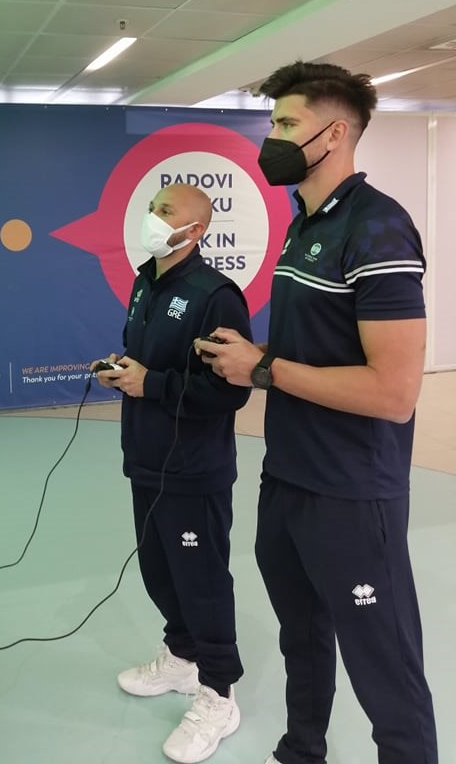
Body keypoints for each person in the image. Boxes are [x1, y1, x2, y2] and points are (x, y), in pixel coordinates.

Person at [197, 60, 438, 764]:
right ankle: (300, 751)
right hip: (289, 476)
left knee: (386, 669)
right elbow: (320, 347)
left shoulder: (378, 228)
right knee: (301, 639)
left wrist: (263, 368)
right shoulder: (304, 224)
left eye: (285, 123)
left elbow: (394, 393)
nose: (271, 137)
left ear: (334, 134)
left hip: (352, 492)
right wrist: (255, 353)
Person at [92, 182, 252, 764]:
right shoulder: (145, 281)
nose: (152, 217)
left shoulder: (216, 296)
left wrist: (151, 384)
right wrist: (124, 371)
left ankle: (219, 693)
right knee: (159, 571)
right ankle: (182, 657)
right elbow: (147, 359)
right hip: (146, 456)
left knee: (201, 579)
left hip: (193, 467)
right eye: (151, 208)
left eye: (165, 211)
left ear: (196, 230)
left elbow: (230, 391)